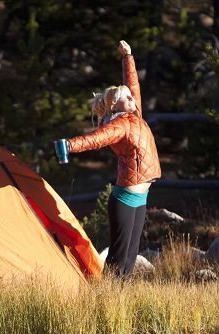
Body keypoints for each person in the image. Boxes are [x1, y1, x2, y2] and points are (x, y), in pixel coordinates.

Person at [61, 40, 161, 277]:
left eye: (132, 97)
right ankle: (105, 300)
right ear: (117, 105)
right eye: (127, 98)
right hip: (125, 200)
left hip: (140, 197)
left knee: (130, 255)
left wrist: (128, 56)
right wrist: (69, 145)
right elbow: (93, 139)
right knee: (118, 256)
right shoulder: (118, 126)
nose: (133, 98)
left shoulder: (133, 114)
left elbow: (132, 85)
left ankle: (119, 302)